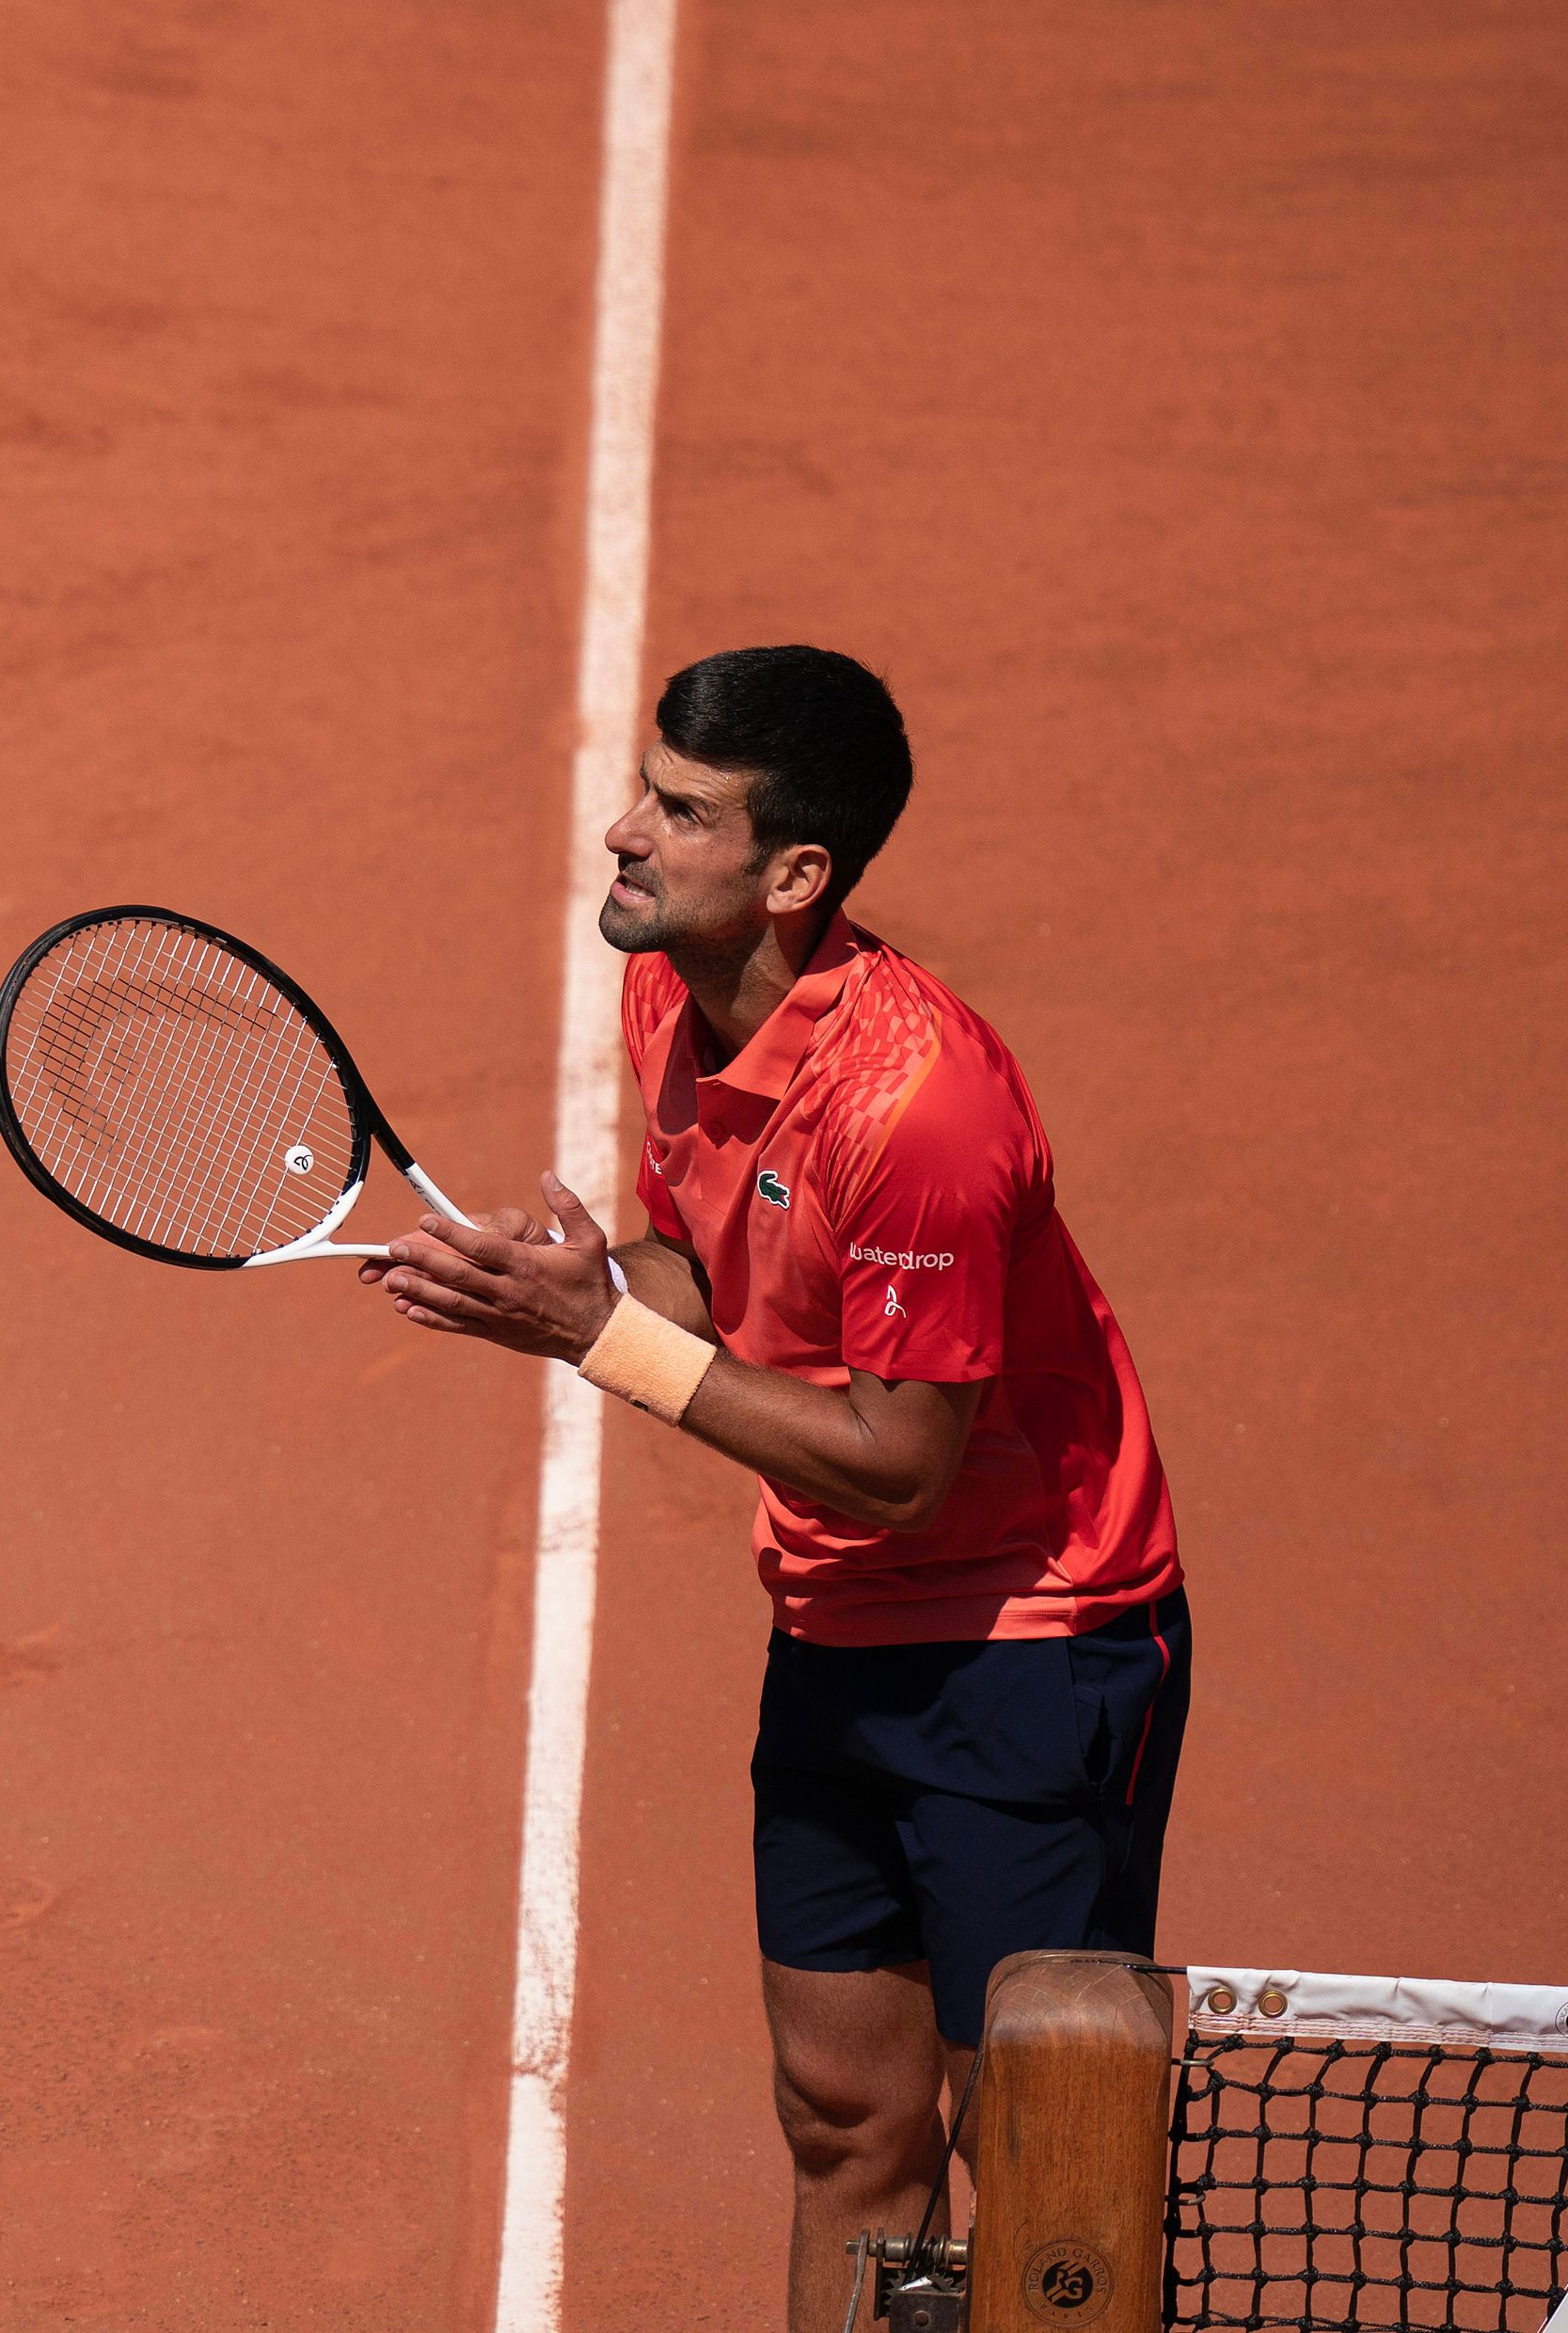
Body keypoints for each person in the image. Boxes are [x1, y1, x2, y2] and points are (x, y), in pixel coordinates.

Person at [364, 647, 1190, 2332]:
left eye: (678, 812)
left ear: (795, 874)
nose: (622, 831)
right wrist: (589, 1290)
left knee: (1035, 2156)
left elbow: (901, 1465)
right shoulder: (673, 986)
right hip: (835, 1623)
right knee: (845, 2118)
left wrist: (599, 1340)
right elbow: (718, 1271)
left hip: (1029, 1646)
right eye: (642, 787)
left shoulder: (922, 1104)